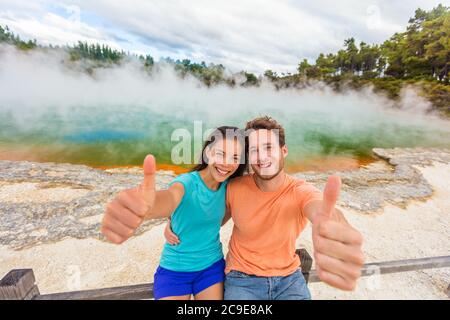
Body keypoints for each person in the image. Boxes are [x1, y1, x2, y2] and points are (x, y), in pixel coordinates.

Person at [165, 116, 365, 300]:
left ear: (283, 151)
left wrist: (332, 225)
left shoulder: (301, 191)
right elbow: (209, 215)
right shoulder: (234, 187)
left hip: (289, 280)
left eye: (268, 147)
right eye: (253, 150)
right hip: (242, 279)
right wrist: (173, 222)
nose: (261, 157)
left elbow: (320, 210)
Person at [101, 126, 246, 300]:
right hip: (175, 269)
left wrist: (173, 223)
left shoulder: (231, 188)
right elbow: (170, 199)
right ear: (207, 153)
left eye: (235, 157)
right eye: (220, 153)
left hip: (211, 266)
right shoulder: (185, 183)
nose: (226, 163)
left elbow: (216, 221)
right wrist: (149, 207)